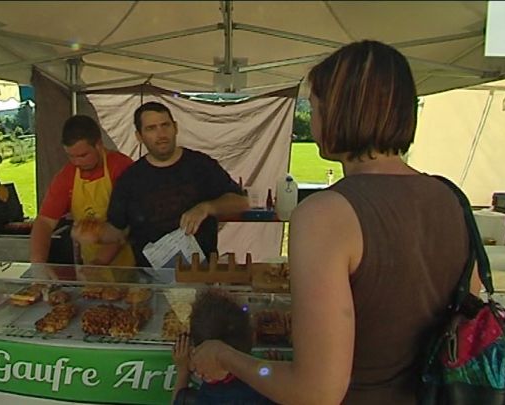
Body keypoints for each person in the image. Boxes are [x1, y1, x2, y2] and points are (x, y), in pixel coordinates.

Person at [189, 40, 482, 404]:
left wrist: (227, 356)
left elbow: (314, 391)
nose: (312, 119)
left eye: (314, 106)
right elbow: (465, 326)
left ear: (341, 111)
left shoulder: (327, 213)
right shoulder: (452, 199)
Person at [75, 101, 249, 267]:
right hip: (150, 281)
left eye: (165, 125)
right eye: (151, 128)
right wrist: (94, 233)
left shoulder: (201, 165)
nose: (161, 134)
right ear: (139, 136)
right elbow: (117, 231)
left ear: (175, 127)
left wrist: (207, 207)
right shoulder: (130, 179)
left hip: (200, 276)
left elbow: (242, 203)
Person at [29, 115, 135, 266]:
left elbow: (126, 226)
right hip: (90, 264)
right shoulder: (67, 176)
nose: (77, 162)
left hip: (130, 264)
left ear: (98, 145)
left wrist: (99, 262)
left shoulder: (121, 167)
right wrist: (38, 265)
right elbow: (45, 222)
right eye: (71, 156)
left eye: (83, 155)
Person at [172, 289, 274, 405]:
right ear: (253, 337)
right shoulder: (264, 389)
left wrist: (182, 372)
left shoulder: (207, 398)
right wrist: (273, 375)